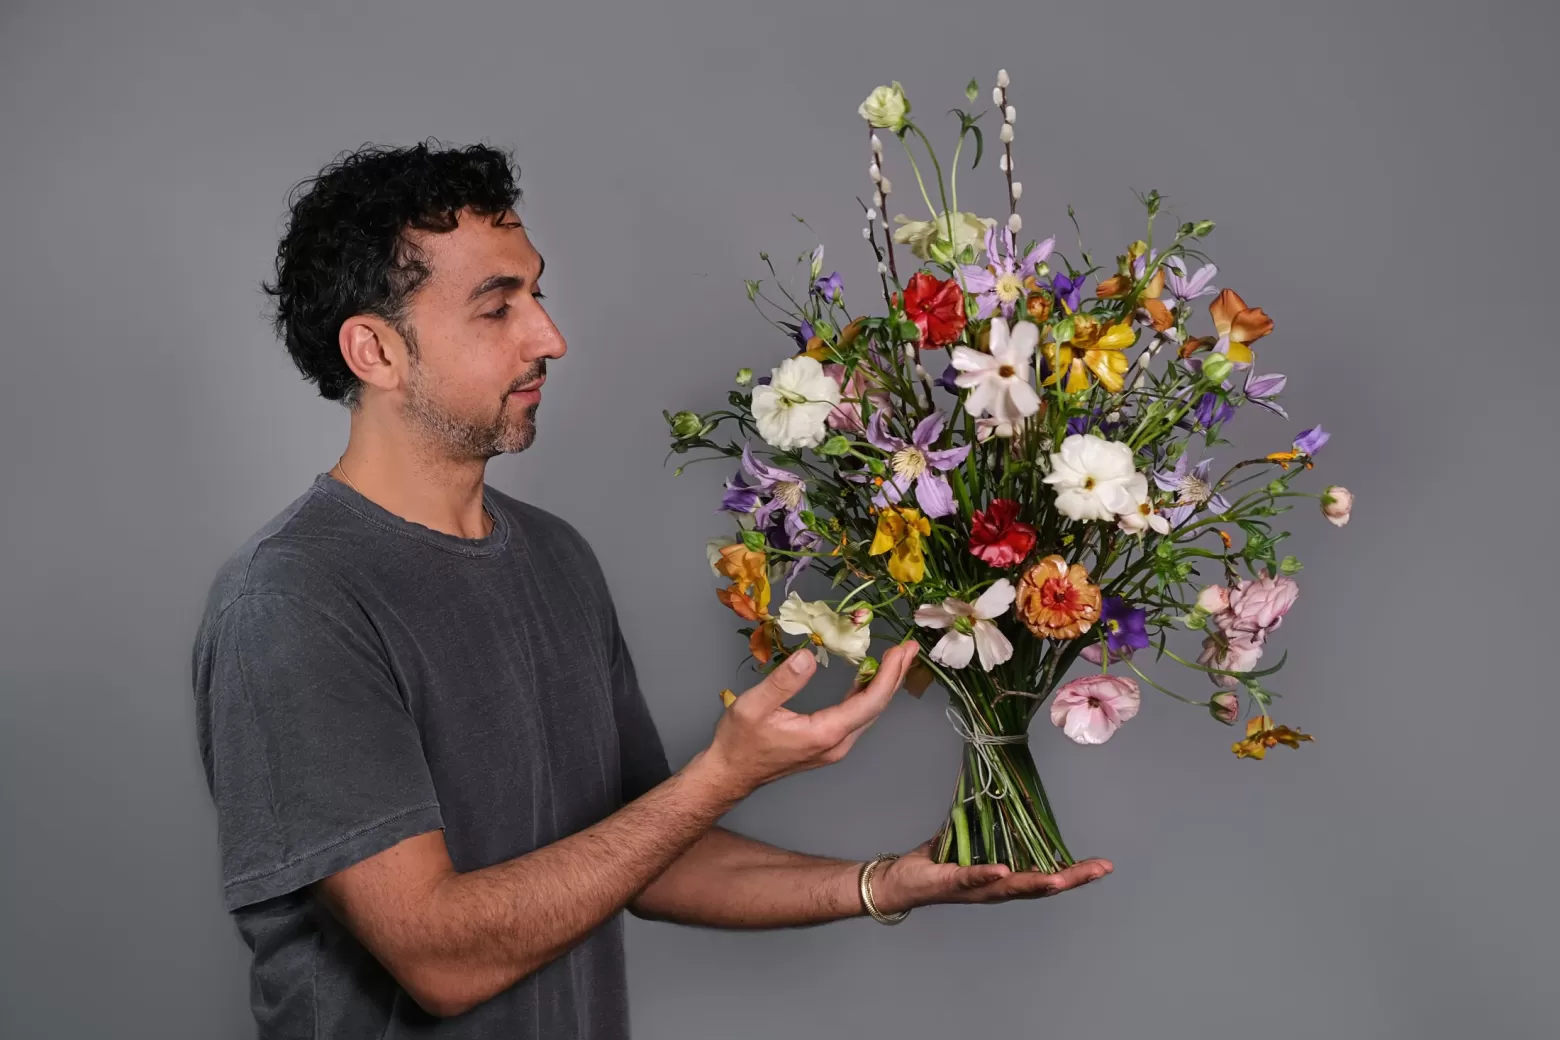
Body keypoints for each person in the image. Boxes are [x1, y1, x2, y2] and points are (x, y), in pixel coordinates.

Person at [191, 141, 1112, 1039]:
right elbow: (442, 959)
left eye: (536, 292)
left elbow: (646, 857)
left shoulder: (555, 559)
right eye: (495, 308)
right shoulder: (294, 605)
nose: (550, 336)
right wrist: (721, 776)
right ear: (375, 353)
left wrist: (881, 882)